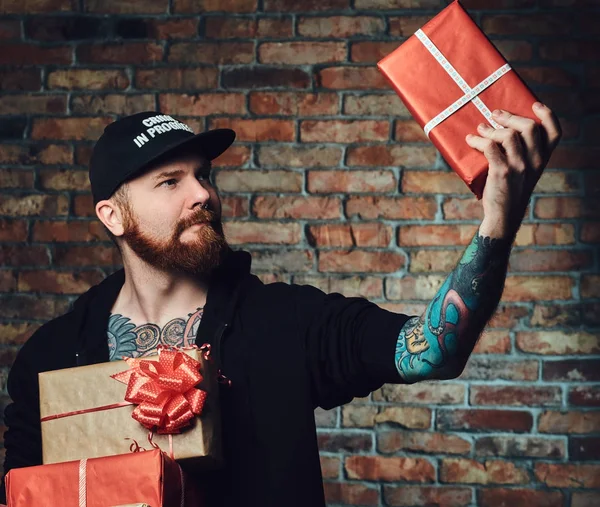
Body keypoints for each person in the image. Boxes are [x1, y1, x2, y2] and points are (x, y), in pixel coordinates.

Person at [0, 106, 561, 506]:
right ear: (113, 216)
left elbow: (428, 351)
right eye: (170, 181)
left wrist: (498, 221)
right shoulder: (52, 358)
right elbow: (22, 492)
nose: (202, 194)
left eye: (204, 176)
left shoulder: (285, 321)